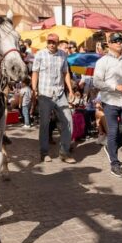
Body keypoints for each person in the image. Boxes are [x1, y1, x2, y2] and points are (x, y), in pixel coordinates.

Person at [93, 33, 122, 178]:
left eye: (121, 40)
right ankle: (115, 163)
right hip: (110, 101)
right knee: (113, 131)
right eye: (116, 41)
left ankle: (110, 148)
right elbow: (97, 82)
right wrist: (114, 87)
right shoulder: (103, 61)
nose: (119, 43)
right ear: (110, 44)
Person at [31, 33, 76, 164]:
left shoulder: (63, 54)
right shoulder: (40, 54)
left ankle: (64, 152)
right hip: (45, 94)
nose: (51, 44)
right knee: (45, 124)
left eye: (53, 42)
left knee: (68, 122)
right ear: (47, 42)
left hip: (60, 93)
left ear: (57, 43)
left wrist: (71, 90)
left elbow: (65, 72)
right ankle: (44, 153)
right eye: (49, 42)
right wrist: (34, 90)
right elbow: (35, 72)